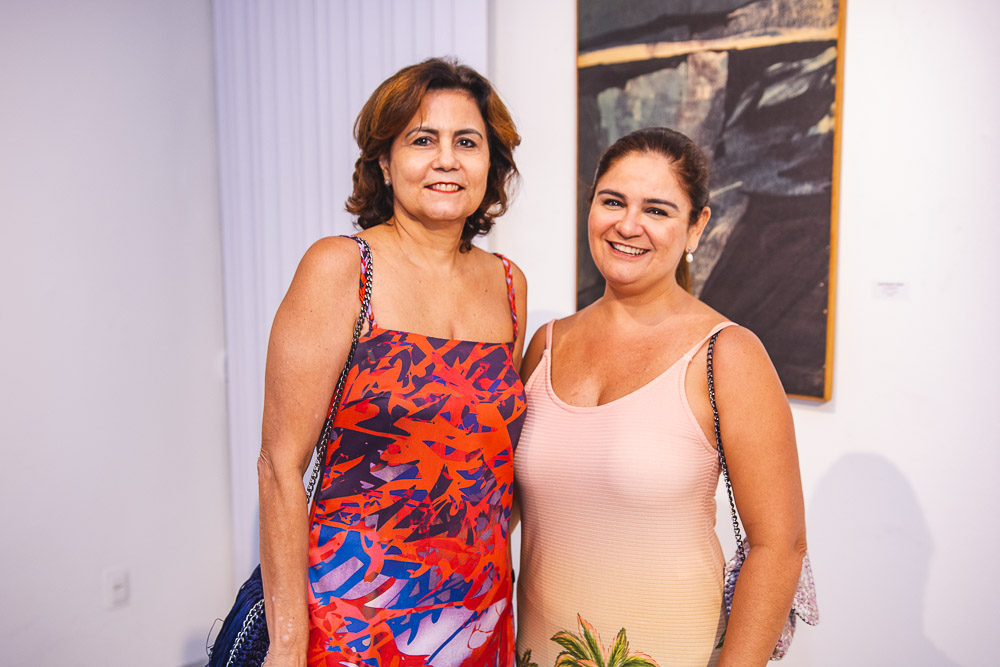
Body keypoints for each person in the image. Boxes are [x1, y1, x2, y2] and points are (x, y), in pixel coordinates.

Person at [257, 58, 527, 667]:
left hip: (477, 615)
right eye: (423, 140)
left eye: (467, 142)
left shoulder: (509, 285)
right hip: (354, 619)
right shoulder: (340, 268)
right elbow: (279, 466)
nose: (447, 160)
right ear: (384, 161)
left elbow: (491, 462)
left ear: (491, 163)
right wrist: (288, 645)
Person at [514, 127, 807, 667]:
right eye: (613, 201)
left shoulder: (727, 355)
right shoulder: (545, 346)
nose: (628, 225)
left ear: (696, 226)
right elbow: (496, 507)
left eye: (657, 210)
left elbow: (779, 547)